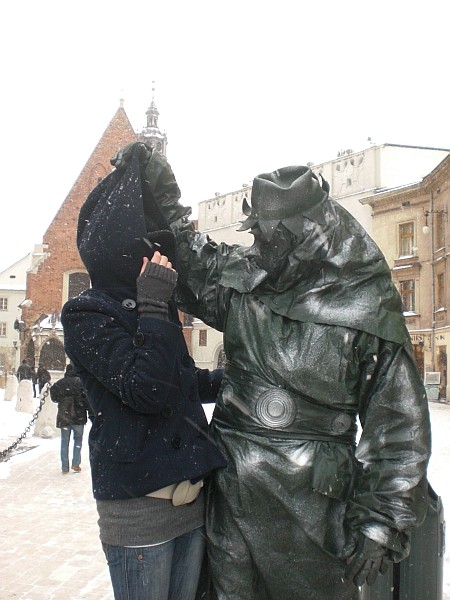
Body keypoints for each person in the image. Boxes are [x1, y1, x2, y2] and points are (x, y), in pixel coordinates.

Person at [150, 159, 432, 599]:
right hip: (234, 487)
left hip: (315, 507)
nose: (260, 248)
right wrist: (161, 189)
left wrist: (382, 518)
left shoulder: (365, 305)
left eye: (271, 239)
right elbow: (189, 258)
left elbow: (399, 426)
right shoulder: (248, 281)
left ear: (306, 236)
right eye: (258, 235)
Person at [61, 142, 226, 600]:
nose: (162, 261)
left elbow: (180, 383)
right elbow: (145, 389)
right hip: (140, 513)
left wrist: (233, 381)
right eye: (152, 251)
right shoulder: (86, 313)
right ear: (120, 251)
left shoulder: (155, 304)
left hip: (190, 506)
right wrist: (154, 303)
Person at [50, 363, 90, 473]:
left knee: (64, 442)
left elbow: (53, 398)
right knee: (78, 440)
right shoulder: (81, 383)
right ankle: (76, 463)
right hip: (79, 417)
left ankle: (64, 466)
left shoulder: (59, 384)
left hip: (65, 416)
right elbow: (87, 400)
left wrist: (62, 400)